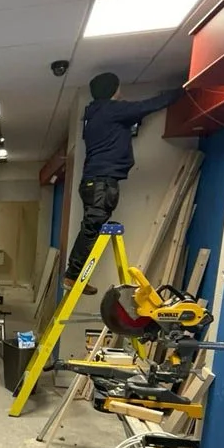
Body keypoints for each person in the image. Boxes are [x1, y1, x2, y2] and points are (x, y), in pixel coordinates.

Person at [64, 71, 182, 294]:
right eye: (118, 87)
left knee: (90, 229)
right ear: (111, 89)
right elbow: (147, 106)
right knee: (91, 229)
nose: (121, 91)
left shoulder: (93, 114)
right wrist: (180, 93)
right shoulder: (111, 109)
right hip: (101, 182)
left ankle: (74, 274)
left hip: (93, 182)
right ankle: (73, 275)